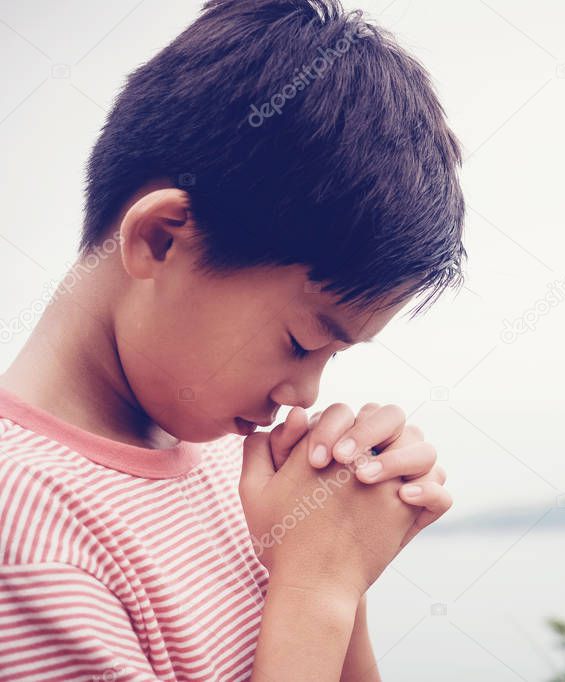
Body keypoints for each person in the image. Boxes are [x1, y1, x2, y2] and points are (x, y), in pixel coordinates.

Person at [0, 0, 463, 678]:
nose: (304, 392)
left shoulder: (226, 462)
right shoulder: (26, 534)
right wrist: (316, 589)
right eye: (303, 341)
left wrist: (336, 545)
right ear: (161, 239)